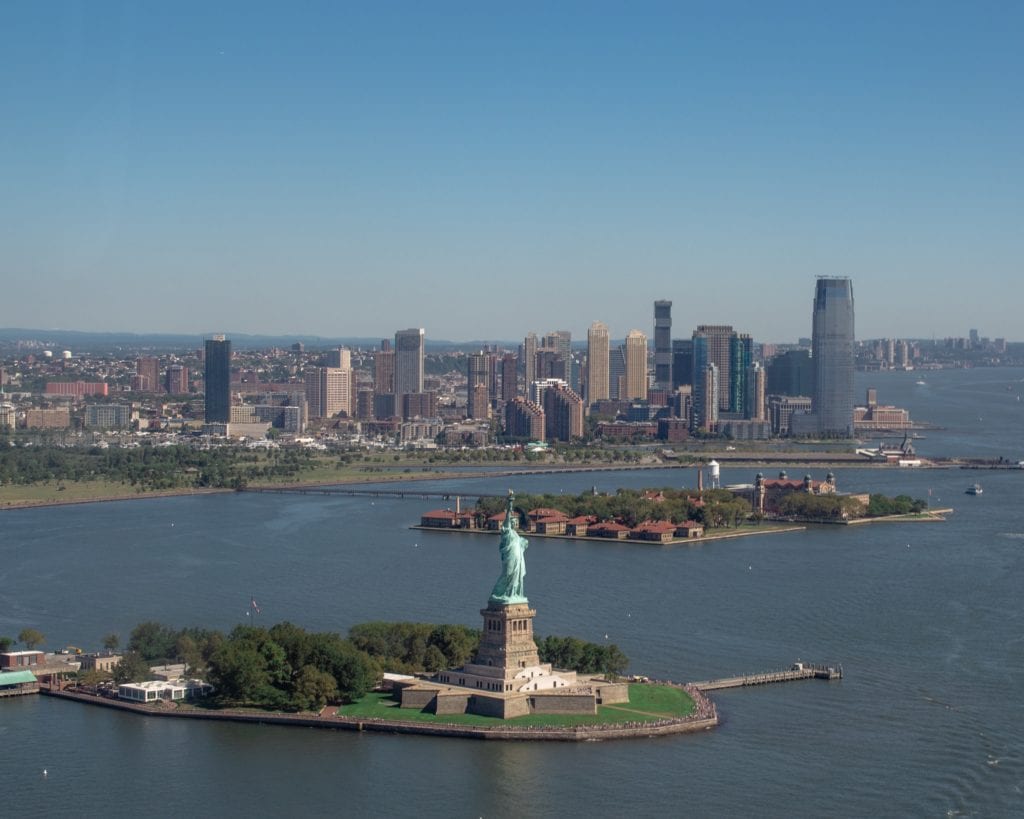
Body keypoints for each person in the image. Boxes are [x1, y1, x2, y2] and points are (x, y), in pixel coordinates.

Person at [489, 491, 528, 604]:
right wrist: (510, 504)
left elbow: (521, 545)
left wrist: (523, 544)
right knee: (507, 574)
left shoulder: (516, 535)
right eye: (513, 521)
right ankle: (497, 594)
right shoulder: (507, 532)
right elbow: (507, 518)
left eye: (516, 522)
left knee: (517, 576)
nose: (515, 523)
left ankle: (514, 594)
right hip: (509, 557)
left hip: (518, 559)